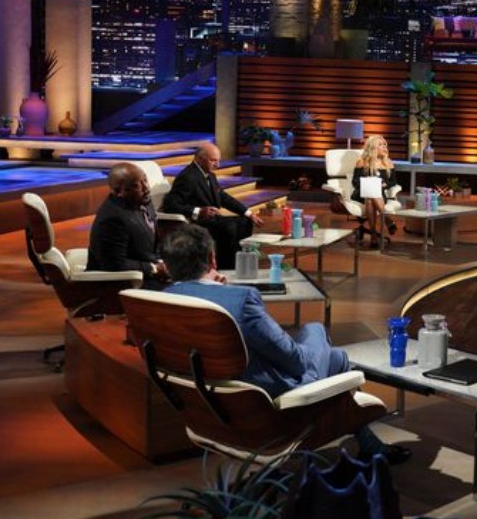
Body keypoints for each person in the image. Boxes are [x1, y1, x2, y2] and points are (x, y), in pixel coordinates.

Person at [160, 224, 410, 463]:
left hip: (208, 406)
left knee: (331, 356)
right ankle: (369, 446)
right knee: (321, 337)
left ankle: (371, 445)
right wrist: (228, 291)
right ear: (212, 259)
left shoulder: (162, 301)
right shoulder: (240, 301)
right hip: (265, 407)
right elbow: (296, 362)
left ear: (168, 267)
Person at [163, 143, 263, 269]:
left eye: (218, 161)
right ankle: (226, 266)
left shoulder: (210, 175)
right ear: (199, 159)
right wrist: (199, 211)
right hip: (197, 222)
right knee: (230, 227)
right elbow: (170, 205)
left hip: (213, 219)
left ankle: (240, 262)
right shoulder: (187, 177)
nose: (217, 165)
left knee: (246, 221)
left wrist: (248, 213)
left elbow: (223, 197)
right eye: (213, 160)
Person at [87, 162, 170, 290]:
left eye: (145, 180)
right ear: (118, 191)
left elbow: (152, 246)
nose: (146, 188)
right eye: (136, 185)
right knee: (183, 293)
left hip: (150, 271)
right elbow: (114, 265)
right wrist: (154, 268)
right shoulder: (112, 219)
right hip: (124, 284)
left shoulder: (144, 201)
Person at [350, 135, 398, 246]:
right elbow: (354, 182)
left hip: (379, 194)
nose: (384, 146)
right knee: (369, 193)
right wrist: (367, 183)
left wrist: (385, 185)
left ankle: (373, 235)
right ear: (373, 147)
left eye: (385, 144)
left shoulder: (388, 163)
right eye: (380, 144)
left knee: (370, 198)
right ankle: (387, 219)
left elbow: (393, 182)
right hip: (360, 193)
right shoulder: (362, 162)